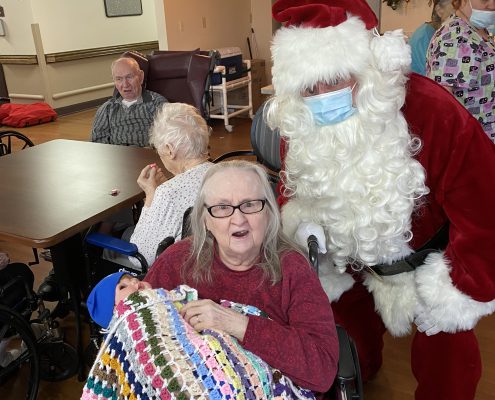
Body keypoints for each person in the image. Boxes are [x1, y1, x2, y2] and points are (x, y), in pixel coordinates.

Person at [266, 1, 495, 399]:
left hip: (431, 258)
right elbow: (293, 188)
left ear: (367, 70)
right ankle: (361, 369)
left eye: (336, 80)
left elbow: (485, 205)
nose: (323, 98)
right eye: (309, 88)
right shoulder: (302, 121)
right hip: (350, 257)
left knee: (450, 363)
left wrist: (462, 283)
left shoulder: (433, 111)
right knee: (339, 341)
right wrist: (305, 233)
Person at [143, 160, 339, 396]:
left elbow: (322, 370)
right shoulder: (176, 262)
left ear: (269, 213)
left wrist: (238, 325)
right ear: (206, 219)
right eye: (223, 207)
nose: (238, 219)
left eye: (250, 204)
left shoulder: (293, 269)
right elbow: (138, 330)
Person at [104, 102, 213, 269]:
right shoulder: (227, 173)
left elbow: (142, 257)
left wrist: (151, 195)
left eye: (158, 148)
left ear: (170, 149)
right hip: (217, 259)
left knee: (104, 248)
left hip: (182, 271)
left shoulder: (168, 192)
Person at [426, 0, 495, 142]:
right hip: (476, 145)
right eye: (484, 0)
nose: (492, 5)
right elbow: (442, 104)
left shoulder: (478, 32)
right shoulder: (455, 38)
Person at [90, 56, 167, 146]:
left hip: (146, 156)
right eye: (119, 79)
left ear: (141, 77)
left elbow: (168, 138)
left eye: (129, 77)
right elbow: (97, 143)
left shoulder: (157, 103)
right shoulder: (107, 109)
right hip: (117, 156)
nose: (125, 84)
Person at [409, 0, 454, 75]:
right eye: (455, 11)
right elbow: (431, 77)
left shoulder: (445, 34)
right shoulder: (425, 36)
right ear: (440, 10)